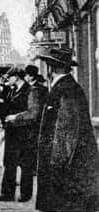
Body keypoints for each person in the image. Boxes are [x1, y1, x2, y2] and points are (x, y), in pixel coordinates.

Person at [33, 47, 98, 212]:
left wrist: (57, 165)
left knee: (65, 205)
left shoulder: (65, 89)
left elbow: (66, 130)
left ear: (52, 68)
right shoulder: (67, 87)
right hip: (68, 163)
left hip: (66, 167)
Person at [0, 66, 31, 202]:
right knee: (9, 162)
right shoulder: (12, 90)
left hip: (25, 131)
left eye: (9, 77)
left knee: (25, 163)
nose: (7, 80)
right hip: (12, 131)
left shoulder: (29, 90)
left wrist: (15, 117)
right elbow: (8, 107)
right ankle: (7, 194)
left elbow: (31, 112)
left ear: (16, 77)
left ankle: (25, 194)